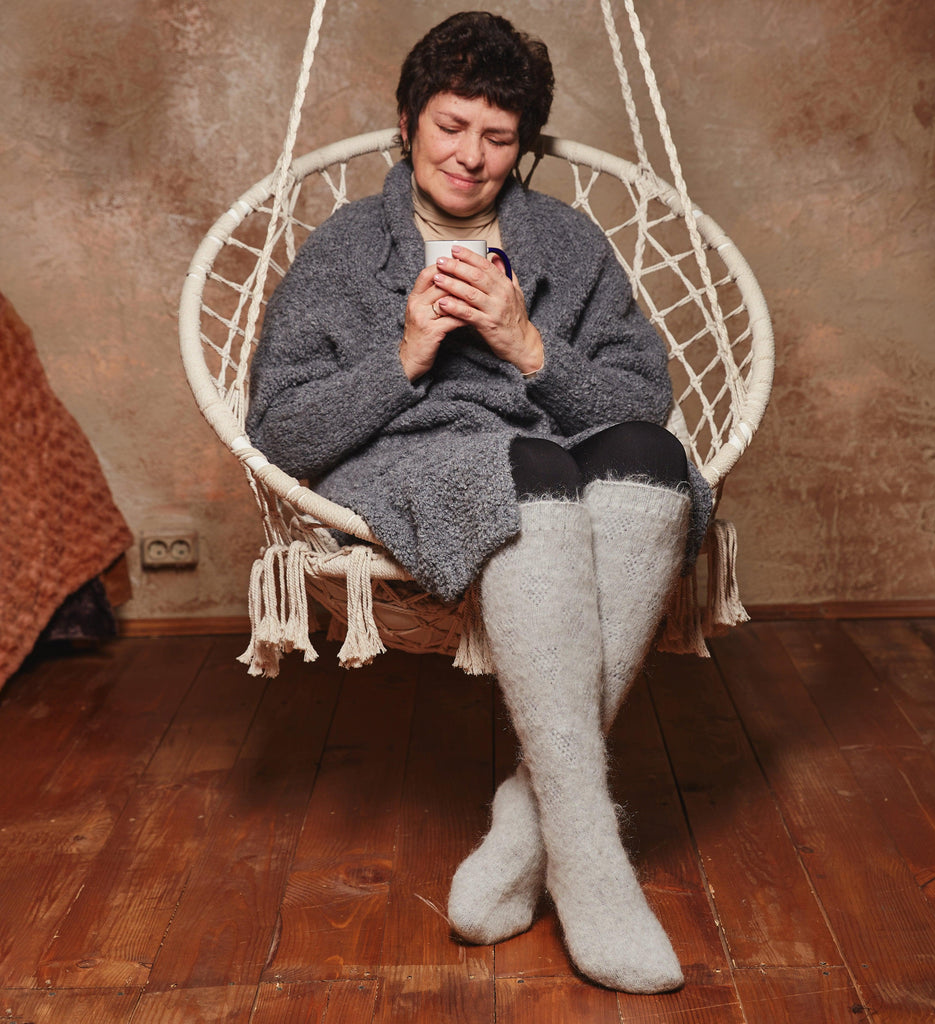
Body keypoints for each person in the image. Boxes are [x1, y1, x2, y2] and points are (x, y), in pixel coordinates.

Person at [247, 11, 711, 994]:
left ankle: (528, 823)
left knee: (652, 461)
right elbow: (281, 427)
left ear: (522, 147)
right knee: (528, 475)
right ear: (410, 120)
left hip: (542, 436)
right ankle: (593, 869)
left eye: (497, 138)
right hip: (401, 456)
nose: (469, 156)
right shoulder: (344, 248)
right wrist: (406, 354)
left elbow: (642, 399)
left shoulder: (565, 241)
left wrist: (526, 343)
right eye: (451, 126)